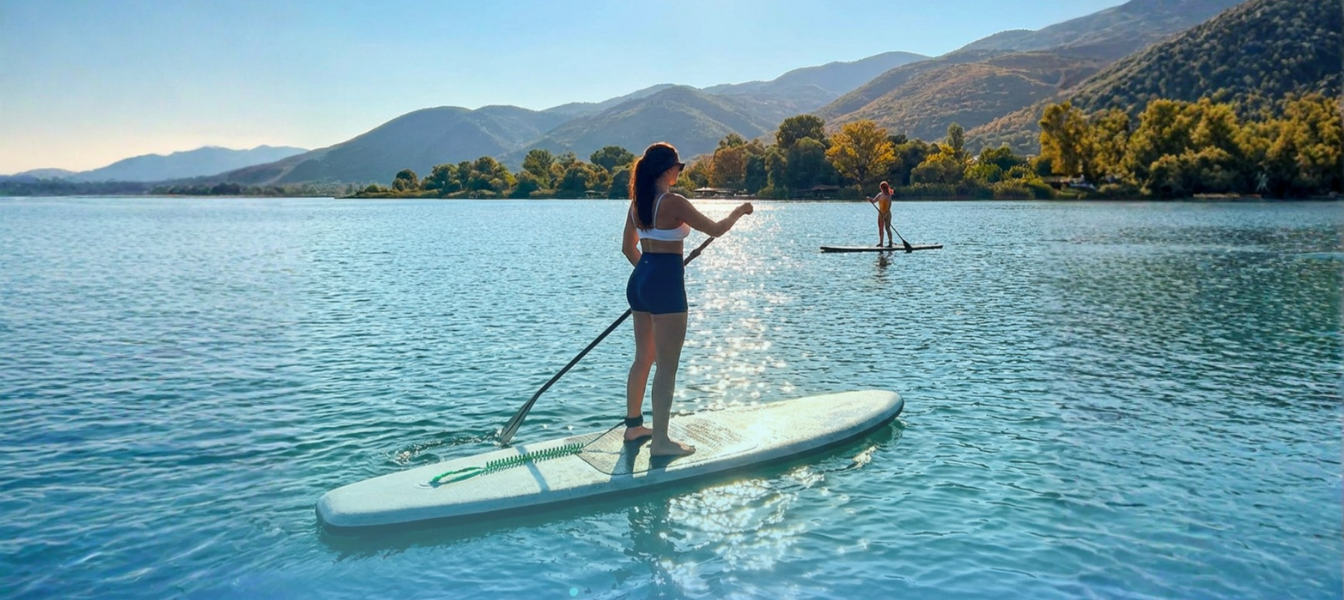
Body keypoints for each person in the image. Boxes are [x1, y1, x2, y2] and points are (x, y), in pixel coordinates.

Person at [621, 142, 753, 457]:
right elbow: (717, 229)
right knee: (667, 366)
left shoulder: (637, 203)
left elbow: (628, 248)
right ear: (668, 169)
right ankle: (662, 443)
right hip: (665, 284)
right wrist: (740, 210)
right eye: (679, 167)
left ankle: (633, 426)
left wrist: (648, 275)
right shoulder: (673, 202)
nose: (680, 172)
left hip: (640, 280)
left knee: (644, 358)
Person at [867, 181, 896, 247]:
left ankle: (890, 242)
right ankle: (881, 243)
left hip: (887, 214)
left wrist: (885, 214)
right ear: (881, 188)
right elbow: (874, 201)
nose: (884, 189)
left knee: (887, 228)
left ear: (887, 188)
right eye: (883, 188)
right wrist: (870, 199)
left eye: (885, 188)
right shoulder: (880, 195)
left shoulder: (888, 196)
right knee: (880, 228)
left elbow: (889, 207)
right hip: (880, 214)